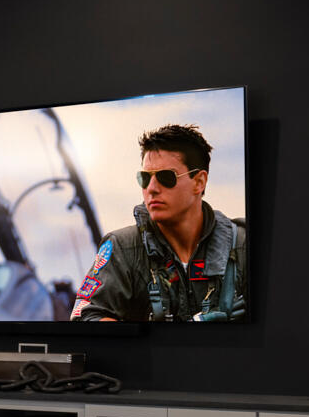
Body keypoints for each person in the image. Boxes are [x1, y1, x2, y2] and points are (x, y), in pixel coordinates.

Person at [74, 123, 247, 322]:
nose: (152, 188)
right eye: (145, 178)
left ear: (199, 182)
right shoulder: (123, 247)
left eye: (166, 177)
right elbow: (86, 316)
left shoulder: (242, 245)